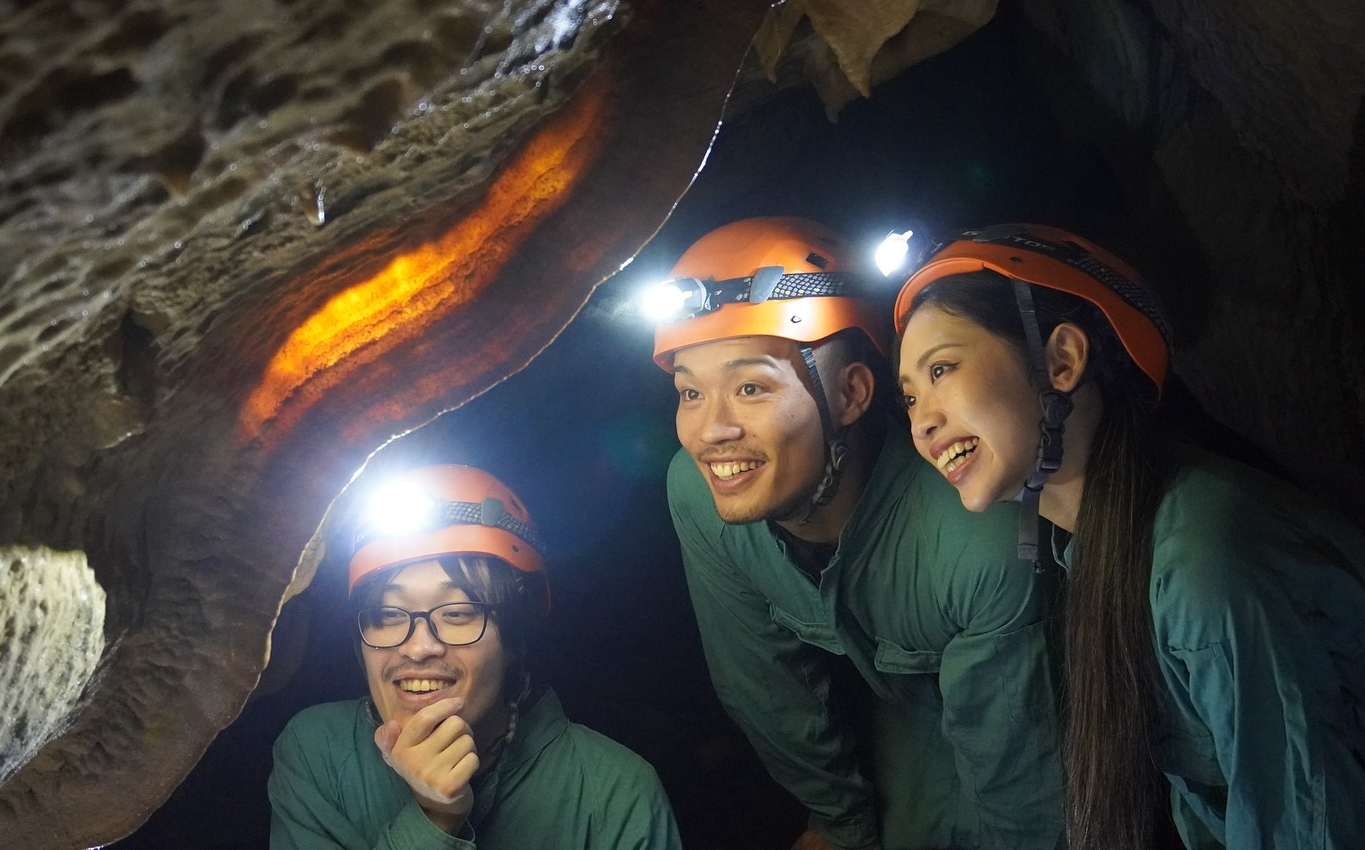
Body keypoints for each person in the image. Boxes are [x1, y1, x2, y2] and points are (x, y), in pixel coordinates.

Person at [893, 224, 1365, 850]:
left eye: (942, 369)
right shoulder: (1097, 548)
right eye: (908, 397)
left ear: (1061, 360)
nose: (923, 420)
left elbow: (1308, 821)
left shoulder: (1204, 562)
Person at [643, 216, 1066, 850]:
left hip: (1027, 701)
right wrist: (840, 826)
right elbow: (763, 689)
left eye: (750, 387)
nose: (710, 432)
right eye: (689, 393)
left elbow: (1024, 786)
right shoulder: (697, 495)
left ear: (850, 394)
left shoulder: (975, 542)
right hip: (898, 696)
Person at [268, 464, 683, 850]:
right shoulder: (317, 750)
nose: (418, 646)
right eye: (387, 615)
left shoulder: (613, 791)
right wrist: (434, 818)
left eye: (459, 613)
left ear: (516, 637)